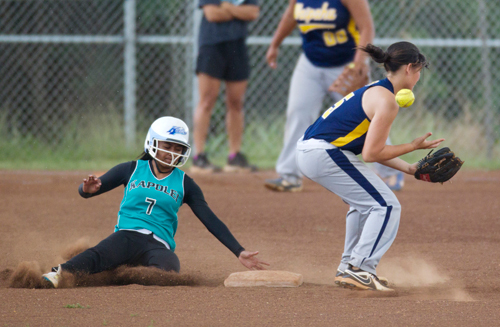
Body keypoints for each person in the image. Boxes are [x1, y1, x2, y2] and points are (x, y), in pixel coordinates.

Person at [42, 116, 269, 288]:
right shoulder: (131, 169)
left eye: (177, 148)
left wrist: (238, 251)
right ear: (152, 142)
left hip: (158, 245)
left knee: (170, 270)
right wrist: (86, 189)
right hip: (127, 236)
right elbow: (87, 191)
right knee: (98, 254)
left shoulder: (185, 183)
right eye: (167, 146)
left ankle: (120, 273)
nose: (171, 153)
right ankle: (58, 273)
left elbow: (209, 219)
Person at [296, 42, 441, 291]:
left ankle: (348, 268)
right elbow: (372, 154)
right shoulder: (387, 101)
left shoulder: (377, 90)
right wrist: (412, 145)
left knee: (365, 206)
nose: (418, 77)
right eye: (419, 71)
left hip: (317, 151)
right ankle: (361, 268)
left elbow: (372, 148)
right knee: (386, 206)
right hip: (323, 153)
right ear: (409, 68)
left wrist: (409, 168)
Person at [264, 0, 405, 192]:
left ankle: (390, 172)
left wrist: (358, 63)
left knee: (369, 117)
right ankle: (289, 175)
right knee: (298, 112)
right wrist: (275, 44)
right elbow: (290, 16)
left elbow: (366, 27)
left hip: (346, 64)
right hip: (310, 63)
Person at [191, 0, 260, 173]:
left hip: (237, 46)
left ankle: (234, 156)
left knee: (236, 102)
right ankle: (199, 156)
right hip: (212, 45)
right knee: (207, 100)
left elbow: (253, 13)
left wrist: (227, 7)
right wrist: (238, 11)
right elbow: (212, 14)